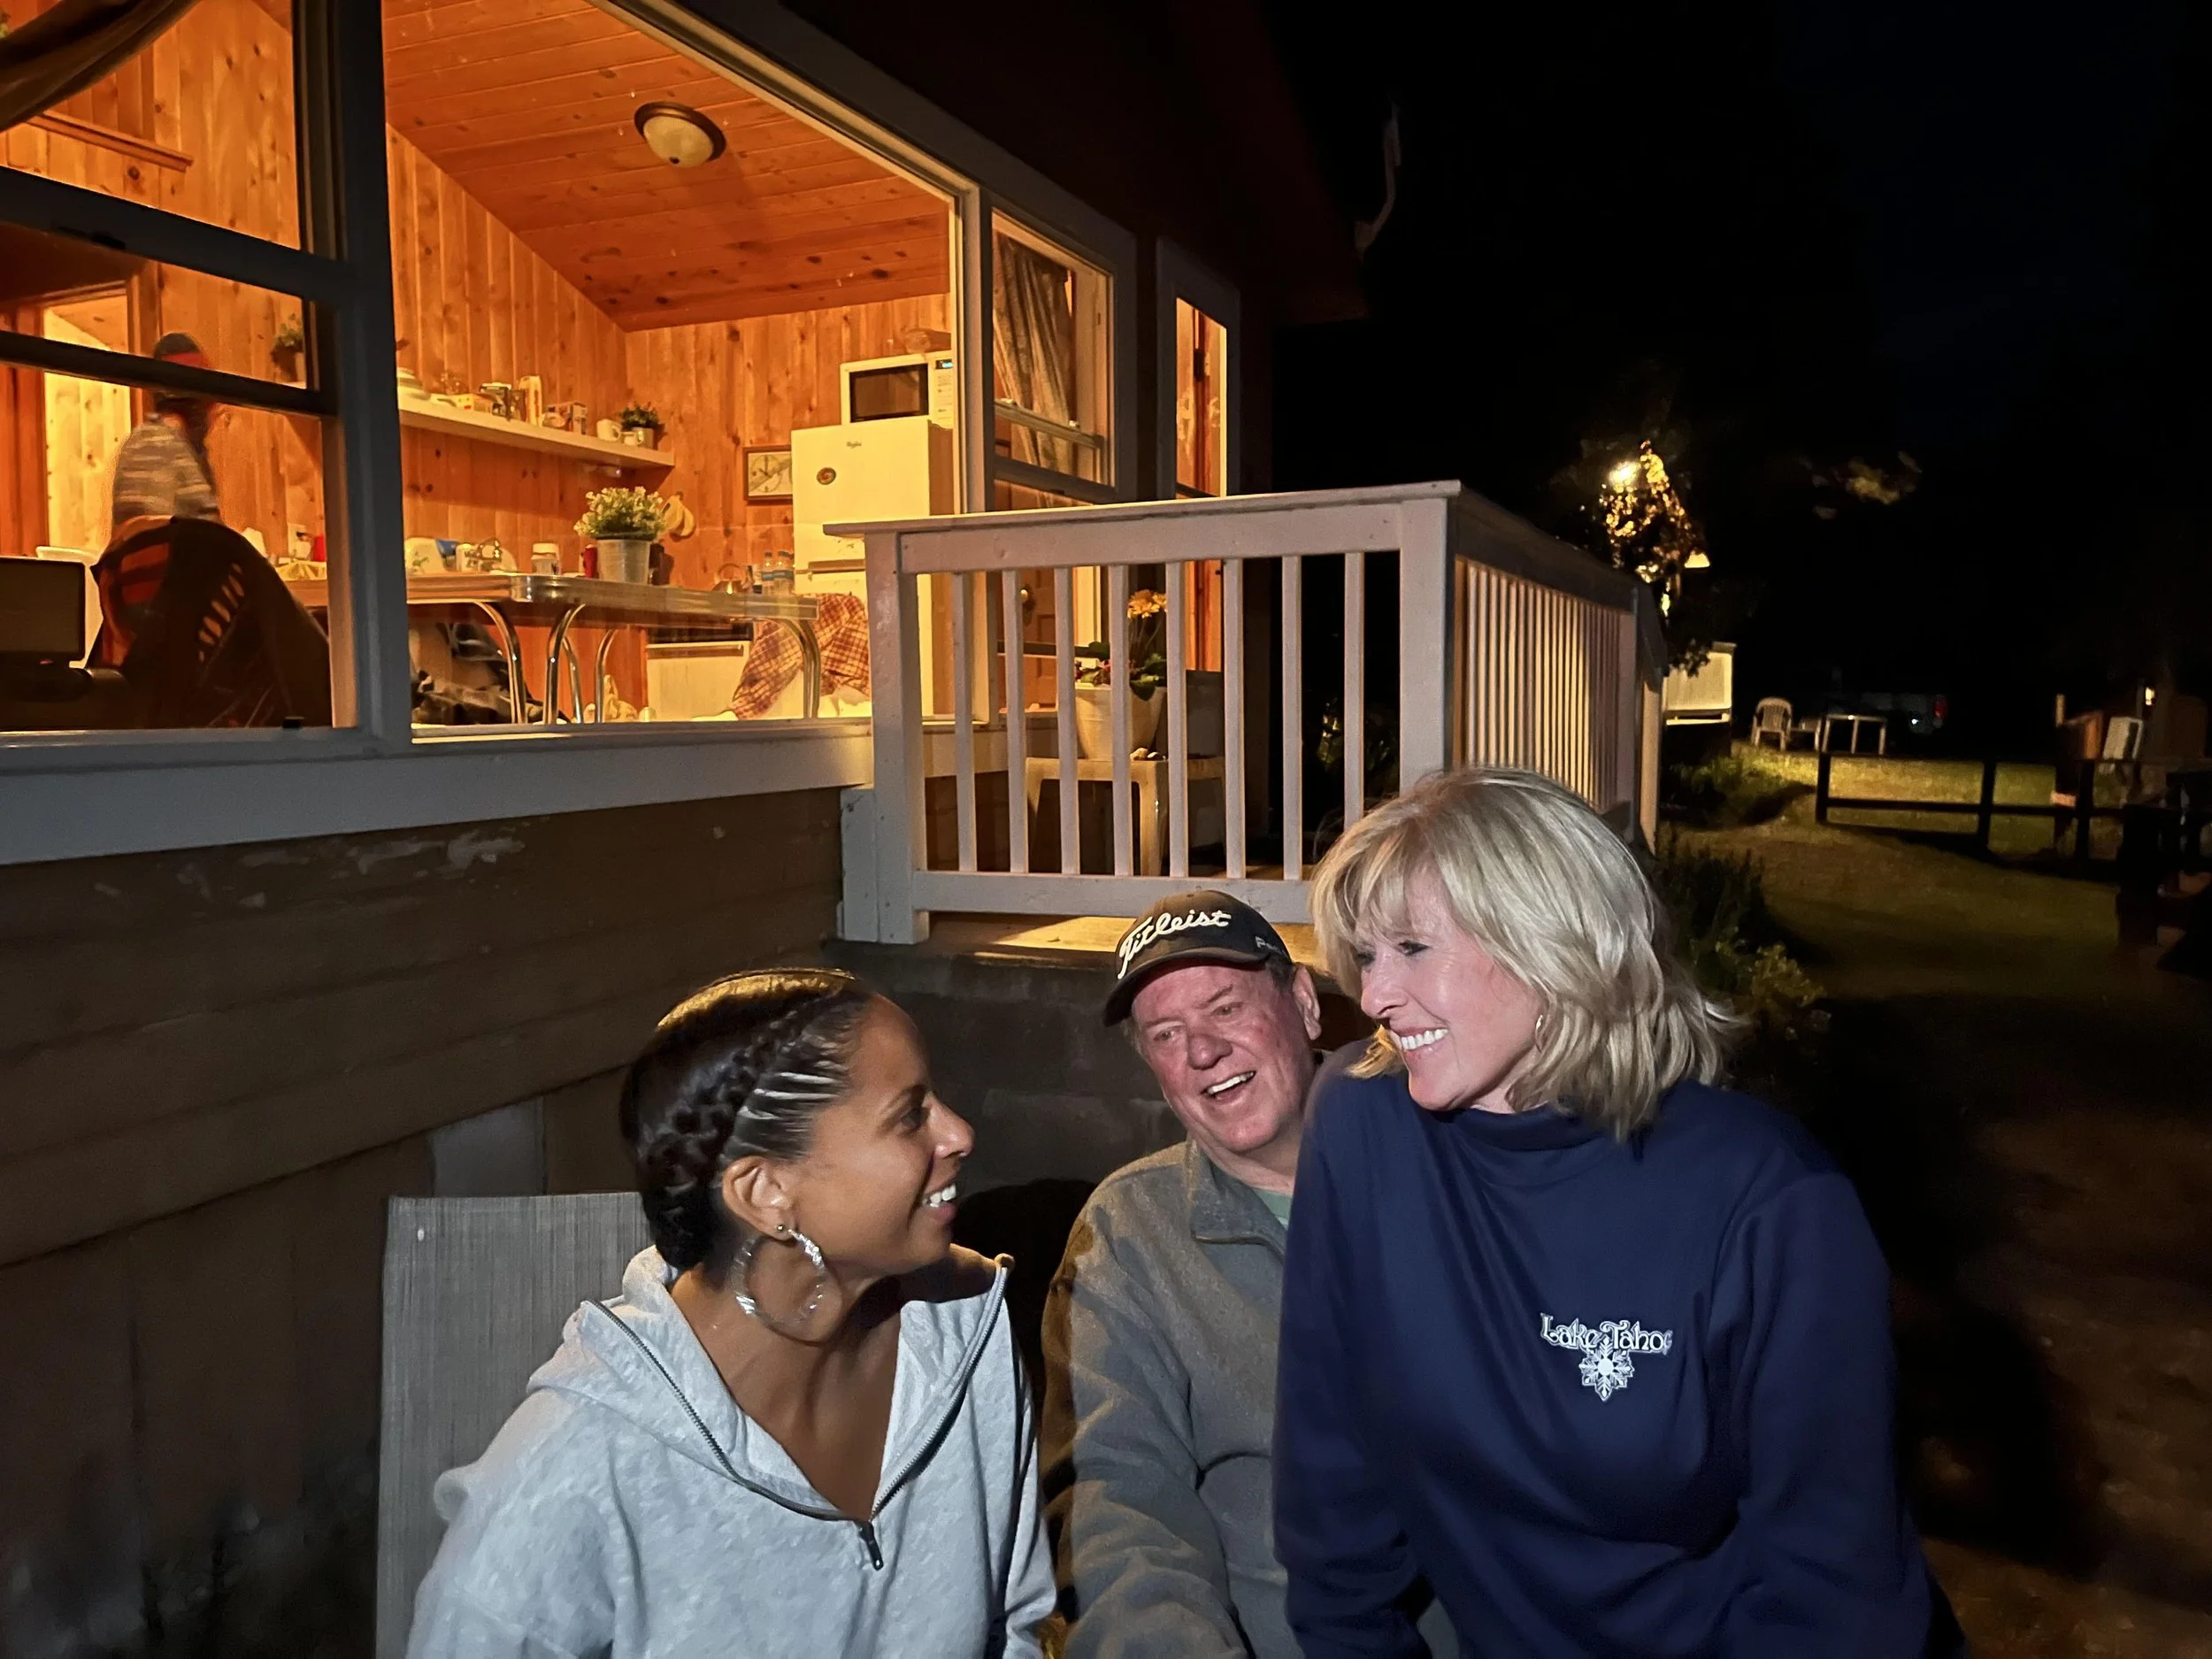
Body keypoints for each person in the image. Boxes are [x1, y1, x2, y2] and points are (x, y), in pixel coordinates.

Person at [1278, 767, 1963, 1656]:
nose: (1372, 997)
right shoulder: (1361, 1120)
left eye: (1411, 948)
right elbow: (1330, 1472)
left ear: (1550, 942)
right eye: (1365, 957)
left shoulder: (1767, 1199)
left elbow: (1836, 1593)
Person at [408, 969, 1056, 1657]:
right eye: (909, 1114)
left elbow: (1014, 1625)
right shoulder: (575, 1470)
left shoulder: (966, 1326)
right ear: (767, 1191)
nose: (959, 1132)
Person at [1041, 891, 1455, 1658]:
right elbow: (1121, 1508)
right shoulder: (1130, 1235)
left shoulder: (1450, 1146)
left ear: (1302, 1001)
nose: (1202, 1051)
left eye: (1226, 1008)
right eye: (1168, 1033)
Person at [111, 333, 223, 533]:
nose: (215, 410)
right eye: (209, 402)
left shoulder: (183, 448)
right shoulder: (153, 444)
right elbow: (145, 540)